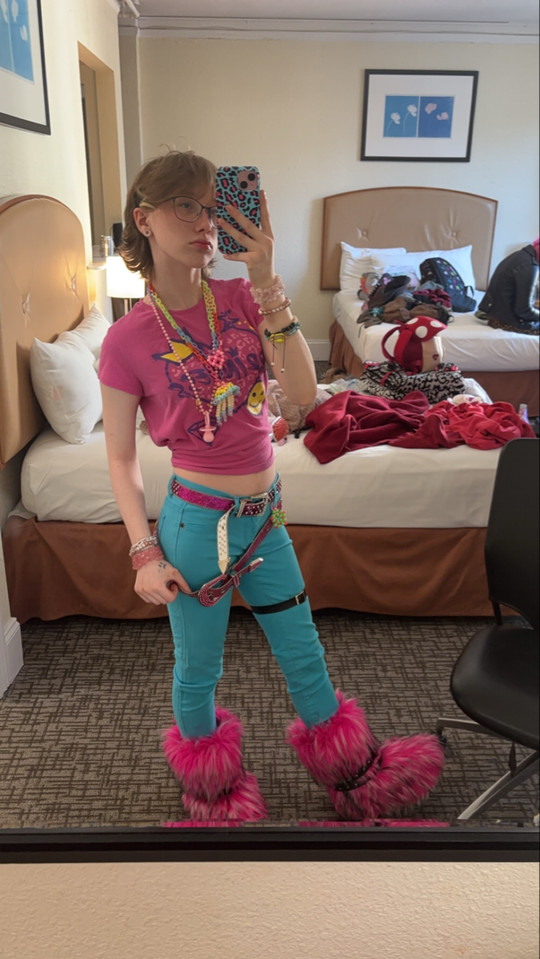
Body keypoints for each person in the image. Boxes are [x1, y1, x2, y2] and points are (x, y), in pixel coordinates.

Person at [98, 150, 445, 822]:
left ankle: (356, 780)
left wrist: (265, 281)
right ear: (143, 219)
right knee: (198, 668)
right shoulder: (126, 339)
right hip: (195, 525)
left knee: (304, 653)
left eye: (213, 207)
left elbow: (305, 392)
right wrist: (143, 551)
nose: (205, 222)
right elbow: (118, 458)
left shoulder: (240, 299)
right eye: (186, 205)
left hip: (265, 519)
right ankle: (214, 797)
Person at [476, 237, 539, 334]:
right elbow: (524, 311)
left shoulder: (520, 256)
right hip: (507, 321)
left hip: (496, 315)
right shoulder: (529, 266)